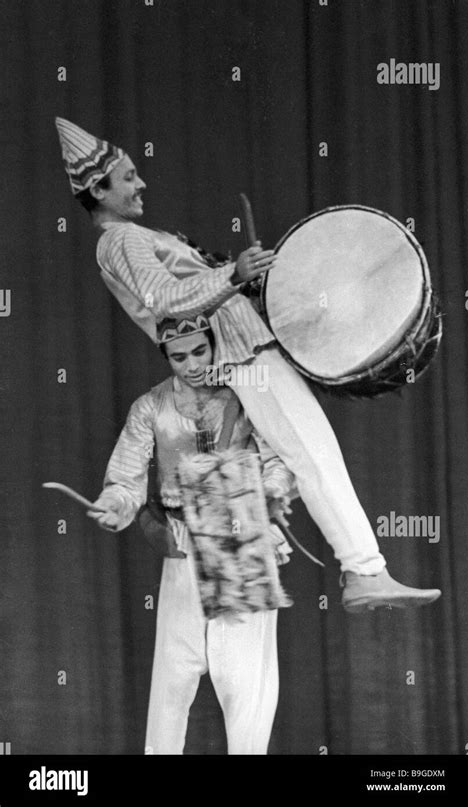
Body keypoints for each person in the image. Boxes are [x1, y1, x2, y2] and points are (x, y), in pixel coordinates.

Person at [56, 116, 441, 612]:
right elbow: (167, 299)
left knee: (310, 455)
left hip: (239, 347)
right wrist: (233, 274)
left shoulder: (127, 238)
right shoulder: (120, 240)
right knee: (311, 454)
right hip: (238, 352)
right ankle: (364, 571)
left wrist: (242, 281)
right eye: (129, 176)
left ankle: (364, 569)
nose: (140, 183)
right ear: (97, 188)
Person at [87, 315, 294, 754]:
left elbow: (280, 462)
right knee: (171, 683)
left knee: (246, 686)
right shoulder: (151, 406)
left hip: (242, 542)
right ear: (166, 356)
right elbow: (126, 480)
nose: (193, 363)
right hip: (183, 546)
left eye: (200, 351)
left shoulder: (248, 392)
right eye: (179, 356)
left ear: (213, 345)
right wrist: (114, 504)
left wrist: (263, 502)